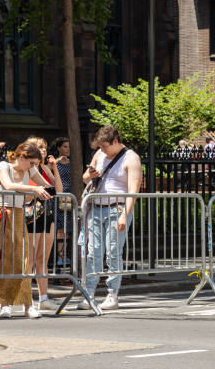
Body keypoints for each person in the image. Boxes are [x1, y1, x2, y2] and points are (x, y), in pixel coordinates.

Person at [0, 141, 53, 319]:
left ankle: (27, 305)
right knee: (3, 260)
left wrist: (50, 169)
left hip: (17, 214)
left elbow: (50, 186)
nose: (34, 167)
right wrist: (34, 188)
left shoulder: (30, 169)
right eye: (32, 163)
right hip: (0, 214)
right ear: (22, 157)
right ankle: (5, 304)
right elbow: (8, 185)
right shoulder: (4, 165)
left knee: (22, 260)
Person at [78, 125, 142, 310]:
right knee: (93, 252)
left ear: (115, 141)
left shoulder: (131, 158)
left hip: (117, 208)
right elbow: (84, 178)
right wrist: (89, 175)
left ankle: (112, 294)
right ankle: (89, 292)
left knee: (113, 252)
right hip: (96, 208)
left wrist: (124, 215)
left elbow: (133, 191)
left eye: (106, 146)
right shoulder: (100, 154)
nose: (103, 150)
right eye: (101, 146)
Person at [24, 137, 63, 312]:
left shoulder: (44, 168)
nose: (43, 151)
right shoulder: (28, 169)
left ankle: (43, 298)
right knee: (29, 259)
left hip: (47, 214)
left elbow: (59, 190)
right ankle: (27, 300)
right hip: (31, 215)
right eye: (39, 147)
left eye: (45, 148)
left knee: (43, 259)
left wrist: (54, 168)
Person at [52, 137, 72, 266]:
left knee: (67, 227)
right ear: (59, 148)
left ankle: (65, 255)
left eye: (69, 147)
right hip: (59, 197)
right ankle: (60, 256)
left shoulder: (73, 163)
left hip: (70, 198)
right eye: (65, 146)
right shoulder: (55, 164)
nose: (67, 149)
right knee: (60, 227)